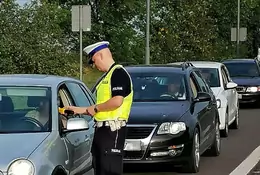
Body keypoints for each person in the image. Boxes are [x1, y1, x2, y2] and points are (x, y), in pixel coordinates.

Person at [64, 41, 133, 175]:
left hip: (112, 130)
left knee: (109, 170)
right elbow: (100, 106)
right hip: (103, 131)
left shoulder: (118, 73)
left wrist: (95, 109)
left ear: (101, 55)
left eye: (94, 61)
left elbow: (117, 101)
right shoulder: (108, 76)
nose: (95, 65)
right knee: (101, 168)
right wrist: (79, 110)